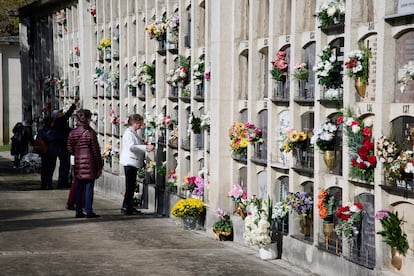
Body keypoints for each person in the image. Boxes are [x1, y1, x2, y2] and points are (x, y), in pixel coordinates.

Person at [67, 109, 102, 218]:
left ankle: (78, 211)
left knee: (78, 186)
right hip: (90, 162)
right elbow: (95, 150)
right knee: (89, 187)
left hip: (78, 161)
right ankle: (88, 210)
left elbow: (69, 148)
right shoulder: (90, 133)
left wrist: (78, 153)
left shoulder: (72, 132)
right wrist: (99, 165)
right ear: (87, 119)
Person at [120, 114, 154, 215]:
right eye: (140, 123)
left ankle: (128, 206)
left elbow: (136, 143)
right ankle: (126, 207)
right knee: (130, 186)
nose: (141, 125)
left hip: (133, 162)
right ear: (135, 123)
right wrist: (146, 148)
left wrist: (144, 143)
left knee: (131, 186)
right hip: (130, 162)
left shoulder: (133, 132)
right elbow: (132, 147)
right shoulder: (129, 133)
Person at [52, 96, 79, 188]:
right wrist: (74, 104)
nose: (61, 113)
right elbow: (68, 114)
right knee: (65, 165)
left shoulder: (57, 123)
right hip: (62, 146)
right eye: (60, 112)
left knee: (64, 165)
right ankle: (63, 182)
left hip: (60, 146)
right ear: (57, 115)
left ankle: (62, 181)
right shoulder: (59, 121)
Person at [38, 116, 58, 190]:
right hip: (52, 151)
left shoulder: (41, 131)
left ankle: (43, 184)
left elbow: (38, 140)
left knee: (44, 168)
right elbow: (53, 139)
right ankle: (49, 183)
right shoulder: (53, 131)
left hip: (44, 151)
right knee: (50, 168)